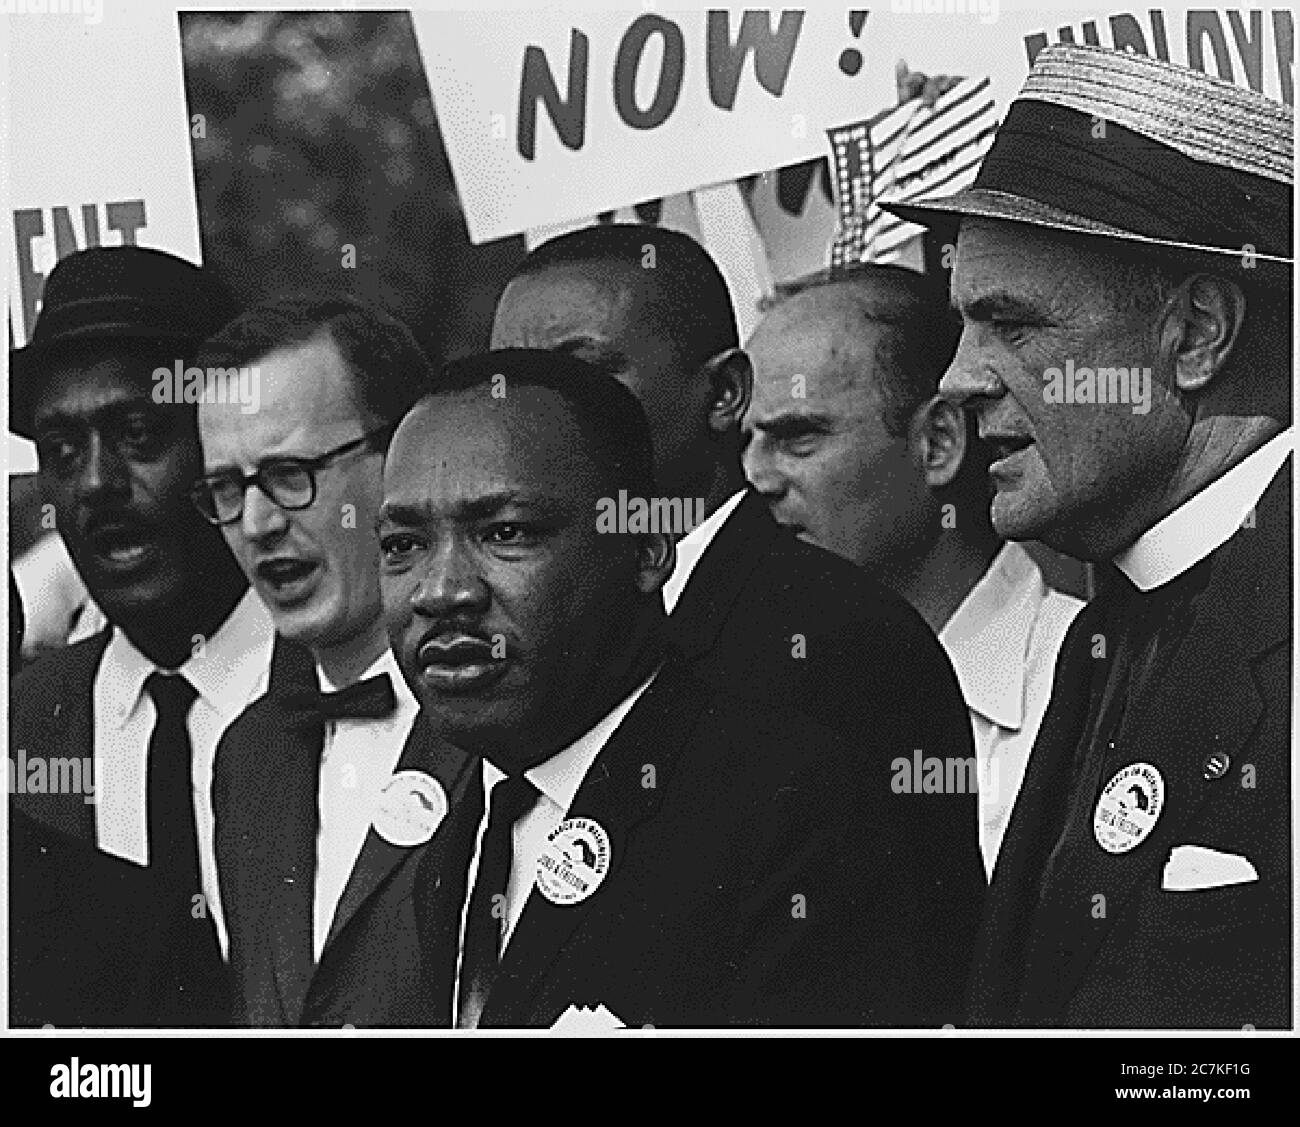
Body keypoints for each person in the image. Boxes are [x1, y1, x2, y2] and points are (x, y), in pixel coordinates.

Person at [381, 349, 978, 1027]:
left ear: (647, 549)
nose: (442, 589)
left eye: (505, 532)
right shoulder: (458, 823)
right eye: (403, 544)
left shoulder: (791, 810)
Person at [884, 43, 1293, 1028]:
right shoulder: (1113, 622)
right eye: (960, 326)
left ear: (1195, 334)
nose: (957, 377)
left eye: (1010, 324)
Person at [490, 226, 986, 1004]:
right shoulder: (529, 641)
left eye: (581, 377)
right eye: (510, 385)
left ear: (725, 393)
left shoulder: (840, 638)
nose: (527, 421)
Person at [744, 264, 1083, 876]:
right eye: (744, 443)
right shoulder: (748, 697)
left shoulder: (1085, 684)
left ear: (937, 443)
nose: (756, 479)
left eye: (798, 438)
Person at [8, 246, 272, 1027]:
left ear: (224, 443)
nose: (95, 482)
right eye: (62, 451)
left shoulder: (342, 682)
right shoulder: (30, 718)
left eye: (137, 432)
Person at [194, 294, 468, 1025]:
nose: (256, 523)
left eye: (290, 473)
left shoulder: (506, 715)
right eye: (226, 488)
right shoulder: (247, 756)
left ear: (403, 453)